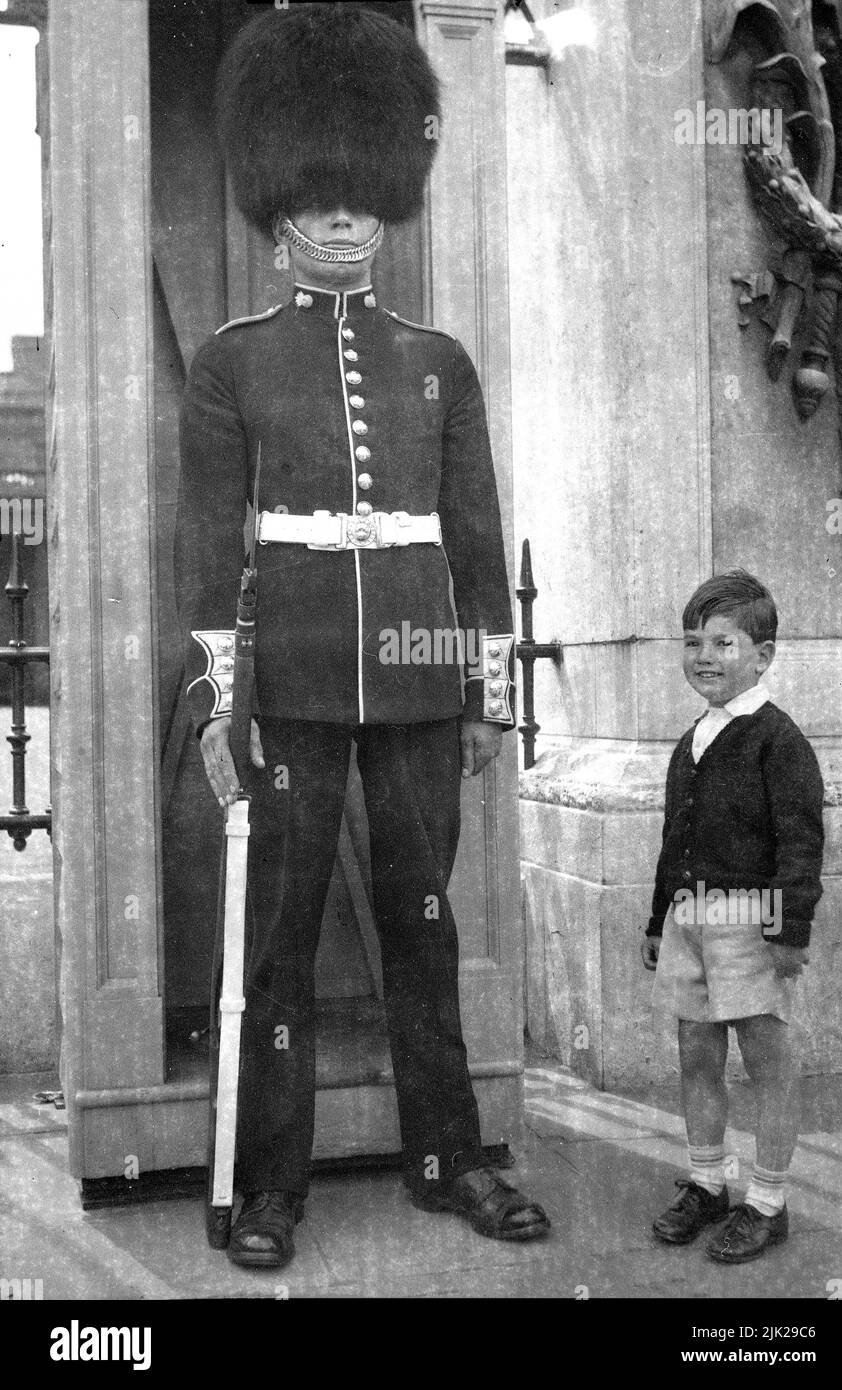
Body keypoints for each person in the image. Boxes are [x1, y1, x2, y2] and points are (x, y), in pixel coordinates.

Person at [174, 3, 550, 1270]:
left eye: (361, 197)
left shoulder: (438, 360)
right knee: (276, 940)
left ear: (389, 202)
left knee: (424, 920)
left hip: (419, 671)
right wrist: (224, 689)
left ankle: (448, 1160)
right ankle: (271, 1184)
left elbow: (475, 540)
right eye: (319, 197)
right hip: (286, 676)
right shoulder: (232, 363)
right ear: (280, 208)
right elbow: (200, 536)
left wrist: (487, 690)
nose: (342, 218)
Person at [641, 569, 824, 1263]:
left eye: (724, 642)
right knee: (696, 1055)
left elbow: (801, 843)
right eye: (694, 642)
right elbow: (672, 842)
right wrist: (661, 922)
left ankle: (768, 1201)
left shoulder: (779, 741)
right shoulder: (689, 741)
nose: (705, 656)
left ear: (764, 654)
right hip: (690, 922)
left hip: (753, 923)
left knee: (767, 1060)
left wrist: (789, 933)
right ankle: (707, 1182)